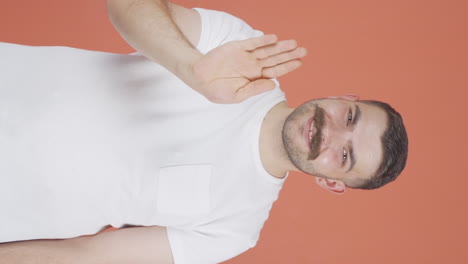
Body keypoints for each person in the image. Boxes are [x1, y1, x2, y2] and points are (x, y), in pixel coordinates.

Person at [0, 0, 408, 263]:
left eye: (344, 156)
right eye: (350, 117)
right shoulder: (244, 49)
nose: (330, 133)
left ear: (331, 182)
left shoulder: (234, 228)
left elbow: (86, 257)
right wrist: (191, 70)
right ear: (345, 96)